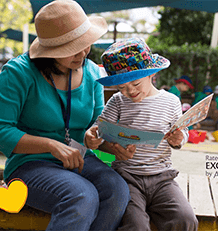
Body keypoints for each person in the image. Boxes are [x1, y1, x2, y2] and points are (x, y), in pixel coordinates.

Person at [0, 1, 131, 230]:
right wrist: (51, 145)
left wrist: (111, 143)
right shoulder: (17, 73)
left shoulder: (92, 73)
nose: (83, 53)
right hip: (30, 164)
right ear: (51, 50)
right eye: (74, 48)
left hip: (80, 158)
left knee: (118, 191)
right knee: (82, 196)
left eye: (86, 44)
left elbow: (98, 122)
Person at [85, 37, 198, 231]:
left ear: (151, 75)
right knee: (135, 225)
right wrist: (92, 137)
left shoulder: (171, 101)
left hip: (163, 178)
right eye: (121, 87)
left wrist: (179, 139)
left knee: (185, 219)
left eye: (135, 84)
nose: (129, 91)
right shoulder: (118, 102)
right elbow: (99, 128)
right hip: (127, 177)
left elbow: (182, 133)